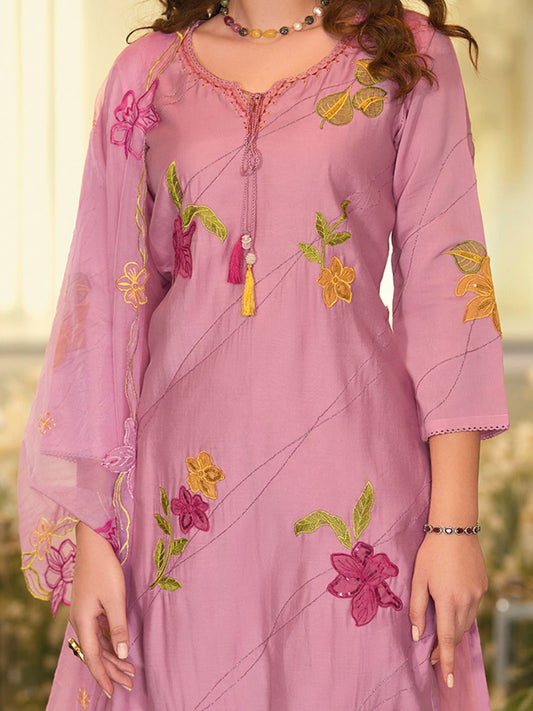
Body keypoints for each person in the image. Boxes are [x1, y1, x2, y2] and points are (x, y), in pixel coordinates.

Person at [18, 0, 509, 708]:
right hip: (181, 505)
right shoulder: (148, 73)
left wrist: (454, 524)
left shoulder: (405, 55)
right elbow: (108, 312)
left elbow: (448, 289)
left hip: (356, 494)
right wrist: (96, 531)